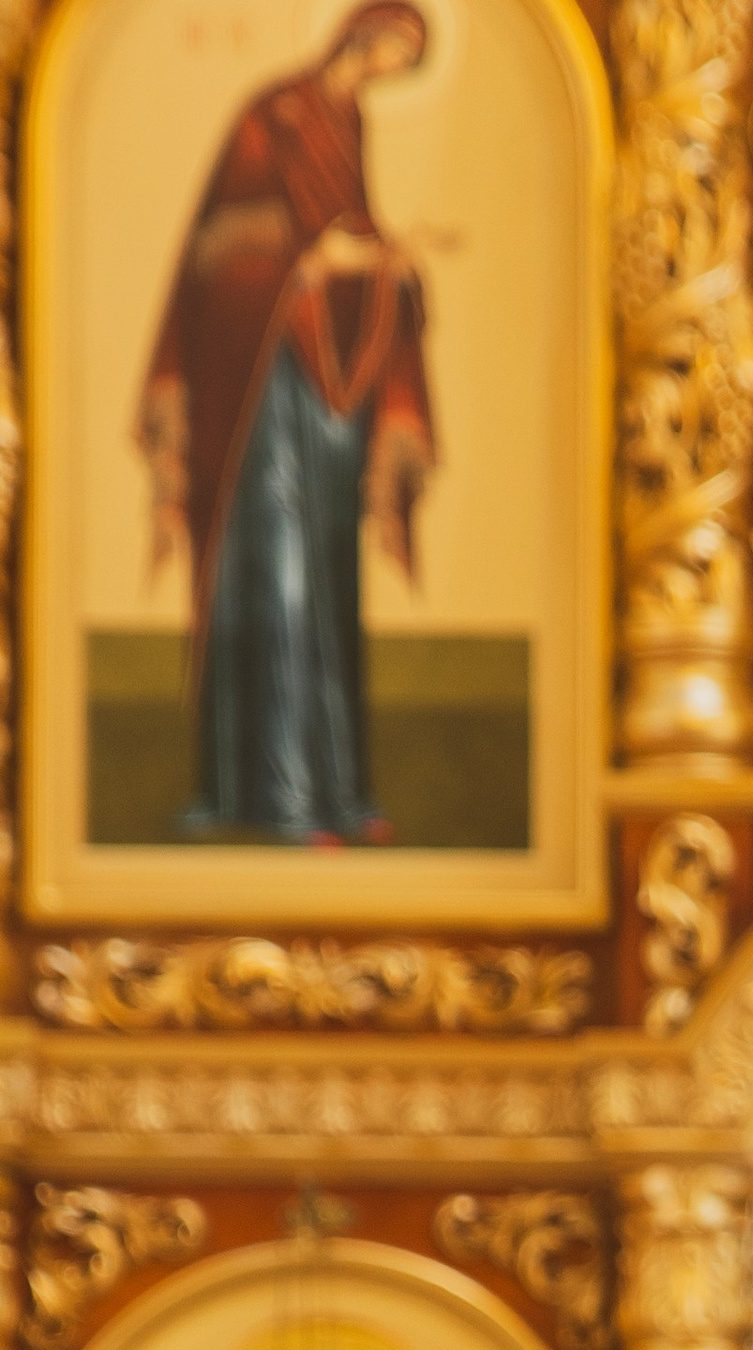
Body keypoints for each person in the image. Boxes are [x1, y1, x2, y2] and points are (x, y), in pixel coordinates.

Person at [139, 0, 435, 845]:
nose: (388, 69)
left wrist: (386, 260)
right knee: (277, 576)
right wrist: (311, 258)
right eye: (389, 51)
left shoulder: (347, 123)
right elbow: (222, 242)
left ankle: (338, 794)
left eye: (404, 61)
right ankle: (280, 797)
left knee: (329, 578)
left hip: (323, 382)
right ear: (361, 36)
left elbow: (348, 235)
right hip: (260, 387)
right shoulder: (275, 114)